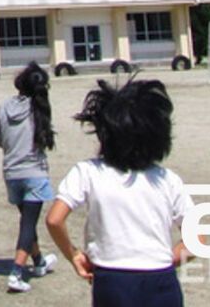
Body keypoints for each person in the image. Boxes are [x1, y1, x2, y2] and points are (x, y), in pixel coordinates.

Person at [45, 77, 194, 307]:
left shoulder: (88, 171)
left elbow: (54, 220)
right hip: (161, 280)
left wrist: (74, 254)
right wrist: (163, 260)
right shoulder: (168, 180)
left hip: (112, 279)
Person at [0, 62, 59, 292]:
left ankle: (39, 262)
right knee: (28, 223)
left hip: (11, 173)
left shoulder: (3, 107)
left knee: (27, 223)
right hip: (34, 172)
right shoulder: (39, 108)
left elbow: (0, 139)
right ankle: (16, 272)